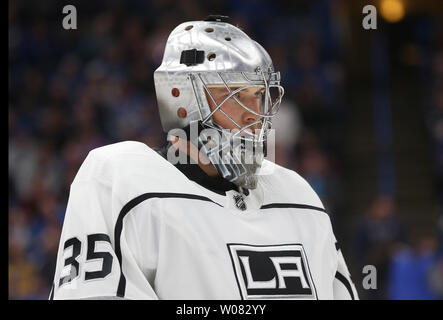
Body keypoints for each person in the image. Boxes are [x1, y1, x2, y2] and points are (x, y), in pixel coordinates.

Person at [50, 16, 358, 300]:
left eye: (259, 95)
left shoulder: (298, 195)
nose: (255, 114)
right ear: (181, 99)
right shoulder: (119, 179)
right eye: (237, 95)